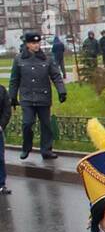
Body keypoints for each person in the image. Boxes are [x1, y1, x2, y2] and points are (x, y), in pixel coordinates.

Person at [9, 31, 66, 160]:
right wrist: (12, 97)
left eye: (37, 43)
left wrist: (61, 91)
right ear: (27, 44)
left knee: (46, 125)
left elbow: (56, 75)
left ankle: (46, 150)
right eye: (33, 43)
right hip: (27, 98)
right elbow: (14, 80)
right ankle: (26, 147)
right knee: (27, 124)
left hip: (43, 97)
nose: (36, 45)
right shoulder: (19, 59)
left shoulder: (47, 58)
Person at [0, 81, 10, 194]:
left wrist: (2, 125)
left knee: (0, 158)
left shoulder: (2, 91)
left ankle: (1, 184)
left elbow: (7, 110)